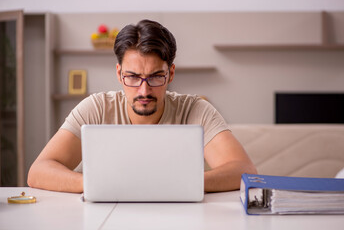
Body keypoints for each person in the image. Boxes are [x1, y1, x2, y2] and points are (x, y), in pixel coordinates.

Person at [27, 19, 257, 193]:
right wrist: (96, 184)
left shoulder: (195, 110)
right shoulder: (95, 108)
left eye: (156, 77)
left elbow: (244, 171)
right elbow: (38, 171)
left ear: (171, 73)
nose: (144, 90)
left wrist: (180, 184)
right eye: (133, 77)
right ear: (119, 73)